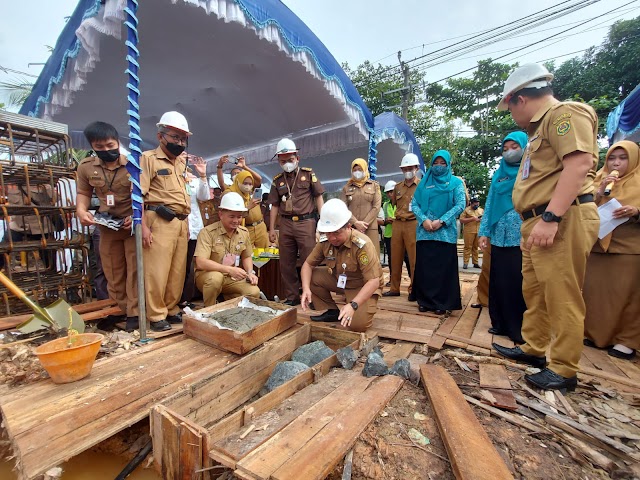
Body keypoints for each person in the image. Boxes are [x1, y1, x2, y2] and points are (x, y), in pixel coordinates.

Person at [492, 63, 600, 392]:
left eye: (508, 106)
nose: (510, 113)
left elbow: (579, 163)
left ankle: (564, 368)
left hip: (561, 219)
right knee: (536, 293)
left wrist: (551, 217)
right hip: (537, 221)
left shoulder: (564, 115)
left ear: (519, 99)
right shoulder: (536, 133)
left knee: (562, 295)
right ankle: (534, 348)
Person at [76, 121, 139, 331]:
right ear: (92, 146)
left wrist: (137, 215)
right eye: (100, 147)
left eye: (110, 145)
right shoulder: (86, 167)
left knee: (134, 270)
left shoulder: (133, 163)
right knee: (112, 271)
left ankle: (134, 313)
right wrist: (81, 210)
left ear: (118, 142)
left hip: (131, 227)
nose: (106, 150)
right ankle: (119, 309)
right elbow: (84, 193)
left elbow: (146, 194)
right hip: (107, 226)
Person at [583, 141, 640, 360]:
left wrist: (635, 211)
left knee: (626, 295)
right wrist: (599, 192)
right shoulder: (599, 178)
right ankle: (595, 334)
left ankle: (626, 340)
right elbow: (582, 206)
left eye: (622, 158)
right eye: (612, 158)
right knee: (596, 293)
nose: (616, 163)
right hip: (597, 245)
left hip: (628, 246)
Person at [141, 111, 192, 332]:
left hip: (181, 222)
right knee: (157, 271)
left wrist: (186, 225)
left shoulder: (181, 164)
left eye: (183, 139)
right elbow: (139, 196)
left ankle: (171, 309)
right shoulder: (148, 159)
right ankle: (156, 315)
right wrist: (142, 226)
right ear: (161, 136)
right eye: (175, 137)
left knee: (177, 271)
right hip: (159, 220)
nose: (179, 143)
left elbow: (185, 195)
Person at [301, 199, 383, 332]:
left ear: (349, 227)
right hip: (340, 282)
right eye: (328, 233)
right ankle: (332, 311)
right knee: (311, 276)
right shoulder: (325, 241)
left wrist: (353, 305)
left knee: (357, 326)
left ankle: (357, 305)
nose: (332, 238)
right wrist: (305, 289)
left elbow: (373, 281)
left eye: (336, 232)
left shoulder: (362, 244)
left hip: (361, 286)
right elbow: (307, 265)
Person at [478, 131, 529, 343]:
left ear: (525, 147)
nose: (509, 152)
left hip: (521, 235)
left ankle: (518, 328)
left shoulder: (531, 172)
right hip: (499, 235)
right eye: (505, 148)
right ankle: (499, 323)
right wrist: (484, 231)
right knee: (498, 280)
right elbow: (489, 203)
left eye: (514, 147)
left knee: (518, 281)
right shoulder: (500, 174)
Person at [267, 138, 325, 306]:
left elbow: (319, 197)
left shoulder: (308, 174)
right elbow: (274, 206)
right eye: (283, 160)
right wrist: (272, 229)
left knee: (310, 259)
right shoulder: (277, 180)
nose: (287, 163)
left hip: (306, 222)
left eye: (290, 160)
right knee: (286, 262)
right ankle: (292, 297)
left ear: (297, 158)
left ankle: (313, 296)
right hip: (285, 224)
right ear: (278, 161)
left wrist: (322, 224)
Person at [411, 150, 466, 314]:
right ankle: (425, 301)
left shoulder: (456, 183)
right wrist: (424, 220)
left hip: (445, 234)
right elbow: (414, 204)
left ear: (448, 165)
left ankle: (442, 303)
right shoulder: (423, 183)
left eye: (443, 163)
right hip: (424, 232)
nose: (439, 166)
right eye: (436, 163)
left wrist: (442, 220)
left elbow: (460, 204)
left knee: (443, 269)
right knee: (425, 268)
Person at [194, 192, 260, 305]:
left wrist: (250, 272)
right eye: (232, 216)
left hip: (231, 278)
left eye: (239, 217)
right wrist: (229, 269)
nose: (236, 221)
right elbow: (200, 262)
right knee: (216, 278)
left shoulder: (243, 233)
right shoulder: (207, 232)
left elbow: (246, 256)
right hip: (208, 276)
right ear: (221, 215)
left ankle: (228, 304)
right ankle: (209, 310)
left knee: (254, 292)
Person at [383, 153, 420, 301]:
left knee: (414, 258)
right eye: (405, 169)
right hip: (398, 223)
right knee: (395, 257)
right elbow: (394, 205)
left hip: (413, 223)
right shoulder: (397, 187)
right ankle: (394, 288)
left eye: (410, 168)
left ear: (416, 168)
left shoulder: (422, 186)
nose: (407, 171)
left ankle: (414, 289)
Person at [179, 156, 211, 308]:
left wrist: (203, 176)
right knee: (175, 266)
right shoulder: (168, 176)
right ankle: (170, 300)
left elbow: (204, 196)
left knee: (188, 266)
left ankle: (184, 299)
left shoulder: (193, 180)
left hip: (193, 228)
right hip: (175, 226)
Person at [341, 158, 382, 254]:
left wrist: (363, 224)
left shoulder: (374, 186)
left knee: (371, 256)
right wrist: (355, 222)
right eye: (354, 170)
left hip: (370, 228)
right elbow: (343, 209)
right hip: (352, 228)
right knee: (353, 256)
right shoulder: (346, 188)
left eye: (360, 169)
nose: (357, 172)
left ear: (365, 169)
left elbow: (376, 206)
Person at [222, 171, 268, 248]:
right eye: (245, 183)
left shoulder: (249, 193)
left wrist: (244, 166)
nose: (248, 186)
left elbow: (259, 179)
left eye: (250, 184)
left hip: (260, 226)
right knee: (247, 253)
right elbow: (232, 215)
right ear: (238, 181)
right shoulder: (231, 194)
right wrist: (249, 206)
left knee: (264, 254)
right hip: (246, 228)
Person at [378, 180, 411, 287]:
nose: (390, 194)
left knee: (407, 258)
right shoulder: (386, 205)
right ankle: (393, 280)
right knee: (392, 259)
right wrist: (386, 221)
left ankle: (413, 280)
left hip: (402, 234)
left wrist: (395, 219)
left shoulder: (402, 203)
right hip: (389, 234)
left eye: (391, 191)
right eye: (388, 192)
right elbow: (383, 220)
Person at [460, 197, 483, 269]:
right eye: (475, 203)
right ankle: (465, 263)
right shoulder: (466, 210)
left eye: (477, 203)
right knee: (467, 247)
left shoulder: (481, 210)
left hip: (478, 230)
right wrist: (472, 219)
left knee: (476, 247)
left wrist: (481, 219)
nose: (476, 205)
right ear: (471, 203)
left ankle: (475, 263)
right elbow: (461, 220)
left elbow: (486, 218)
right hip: (469, 231)